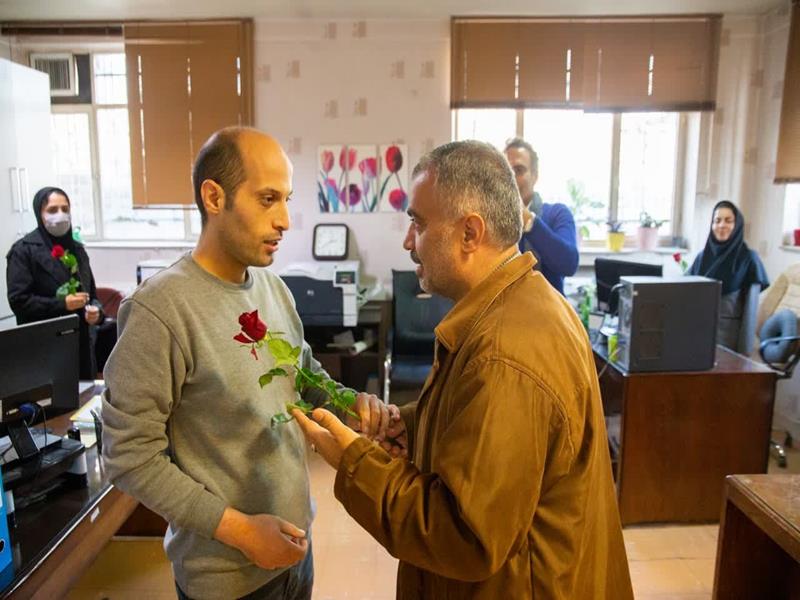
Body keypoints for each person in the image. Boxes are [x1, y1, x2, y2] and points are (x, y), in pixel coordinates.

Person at [293, 141, 633, 599]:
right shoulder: (525, 301)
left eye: (418, 223)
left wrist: (354, 461)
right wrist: (412, 426)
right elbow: (484, 431)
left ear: (470, 233)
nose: (408, 242)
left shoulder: (505, 353)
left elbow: (463, 536)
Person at [101, 127, 393, 600]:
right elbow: (128, 456)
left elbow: (303, 376)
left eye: (286, 200)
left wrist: (350, 403)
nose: (285, 221)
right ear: (214, 197)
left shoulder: (273, 288)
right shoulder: (160, 309)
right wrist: (240, 531)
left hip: (294, 551)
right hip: (226, 576)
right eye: (267, 199)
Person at [6, 186, 103, 379]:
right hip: (44, 349)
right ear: (39, 213)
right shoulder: (24, 251)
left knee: (85, 394)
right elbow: (19, 301)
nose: (60, 215)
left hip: (82, 348)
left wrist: (96, 313)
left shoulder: (77, 250)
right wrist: (62, 304)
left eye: (65, 209)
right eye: (52, 210)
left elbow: (92, 295)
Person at [689, 200, 769, 354]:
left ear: (737, 225)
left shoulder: (748, 259)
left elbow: (750, 312)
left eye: (728, 220)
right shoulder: (702, 257)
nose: (721, 225)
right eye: (717, 220)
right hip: (698, 334)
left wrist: (744, 352)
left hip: (727, 340)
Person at [504, 137, 579, 295]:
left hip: (550, 309)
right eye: (505, 171)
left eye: (519, 170)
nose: (510, 178)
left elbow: (569, 264)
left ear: (535, 176)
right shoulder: (492, 221)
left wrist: (529, 221)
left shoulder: (557, 213)